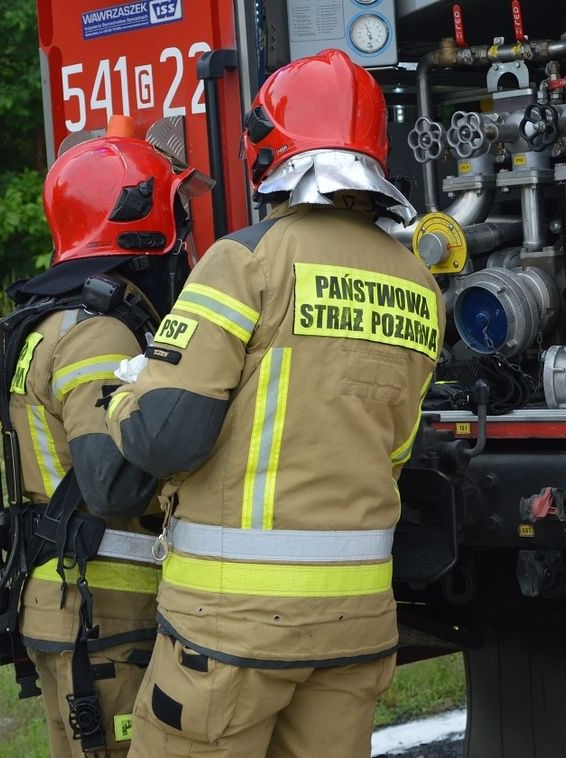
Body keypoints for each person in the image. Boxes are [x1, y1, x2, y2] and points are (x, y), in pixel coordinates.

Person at [105, 49, 446, 757]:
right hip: (355, 625)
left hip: (234, 626)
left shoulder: (246, 260)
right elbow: (395, 445)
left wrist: (122, 397)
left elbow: (166, 435)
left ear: (268, 148)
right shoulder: (419, 282)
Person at [6, 127, 199, 757]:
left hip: (62, 604)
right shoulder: (100, 333)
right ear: (142, 228)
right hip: (107, 614)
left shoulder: (48, 319)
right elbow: (111, 485)